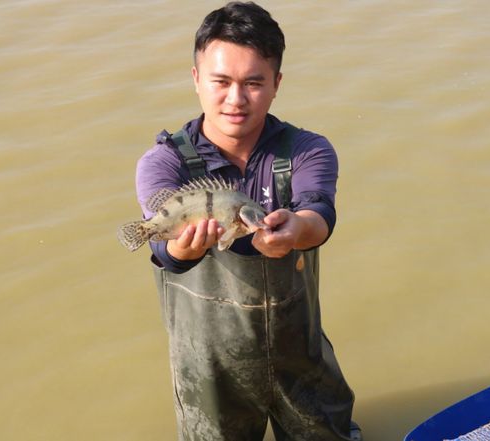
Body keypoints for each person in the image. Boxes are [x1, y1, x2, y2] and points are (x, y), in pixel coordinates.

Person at [133, 2, 361, 440]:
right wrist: (184, 247)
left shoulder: (306, 150)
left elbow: (318, 214)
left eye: (254, 83)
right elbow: (164, 251)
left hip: (302, 356)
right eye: (221, 81)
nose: (236, 99)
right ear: (197, 79)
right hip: (210, 371)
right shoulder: (164, 163)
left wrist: (295, 231)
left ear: (276, 83)